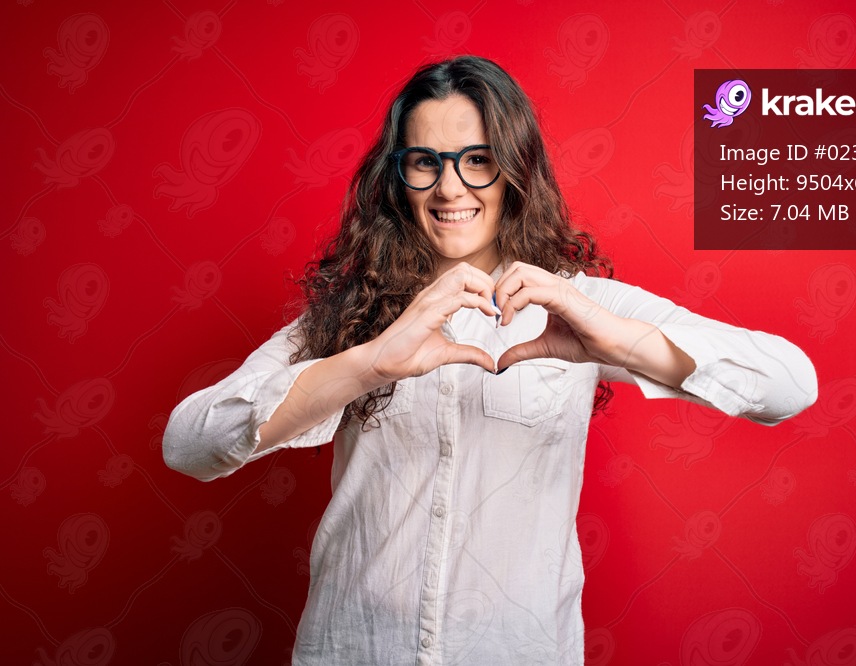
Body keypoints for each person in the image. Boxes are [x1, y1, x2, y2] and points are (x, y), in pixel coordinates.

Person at [163, 56, 817, 665]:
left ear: (514, 169)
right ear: (398, 175)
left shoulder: (580, 302)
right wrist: (371, 364)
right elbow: (188, 444)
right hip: (355, 649)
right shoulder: (352, 315)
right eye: (424, 161)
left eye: (477, 159)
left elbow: (790, 384)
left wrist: (615, 342)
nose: (450, 187)